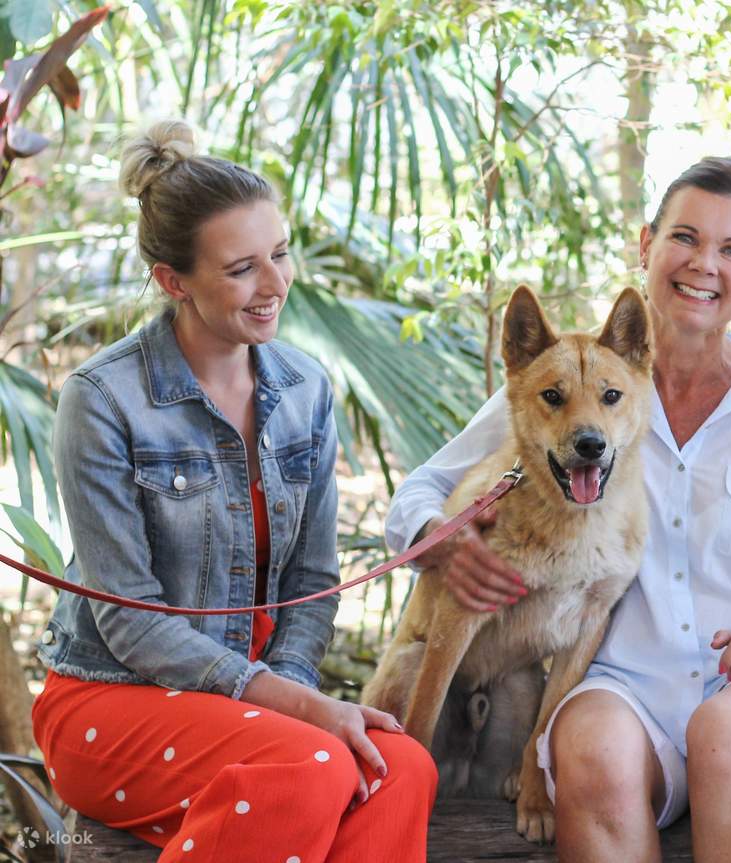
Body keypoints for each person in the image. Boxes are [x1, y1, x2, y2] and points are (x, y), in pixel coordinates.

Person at [385, 156, 731, 862]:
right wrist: (442, 542)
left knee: (728, 735)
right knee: (590, 752)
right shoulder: (565, 389)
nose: (703, 264)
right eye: (684, 238)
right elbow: (422, 489)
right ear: (645, 246)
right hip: (617, 685)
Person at [31, 120, 435, 862]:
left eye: (279, 254)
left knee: (402, 767)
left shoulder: (307, 389)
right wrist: (297, 710)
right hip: (111, 697)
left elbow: (312, 586)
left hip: (254, 702)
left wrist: (291, 692)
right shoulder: (104, 399)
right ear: (172, 280)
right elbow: (133, 624)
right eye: (242, 267)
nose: (276, 284)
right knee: (308, 767)